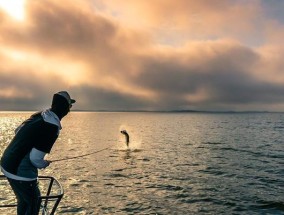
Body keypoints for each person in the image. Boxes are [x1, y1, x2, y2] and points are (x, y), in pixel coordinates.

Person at [0, 91, 75, 215]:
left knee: (23, 201)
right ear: (65, 108)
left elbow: (17, 130)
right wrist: (44, 163)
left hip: (6, 163)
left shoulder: (40, 114)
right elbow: (35, 159)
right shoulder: (52, 127)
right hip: (20, 172)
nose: (70, 110)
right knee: (34, 202)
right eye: (69, 106)